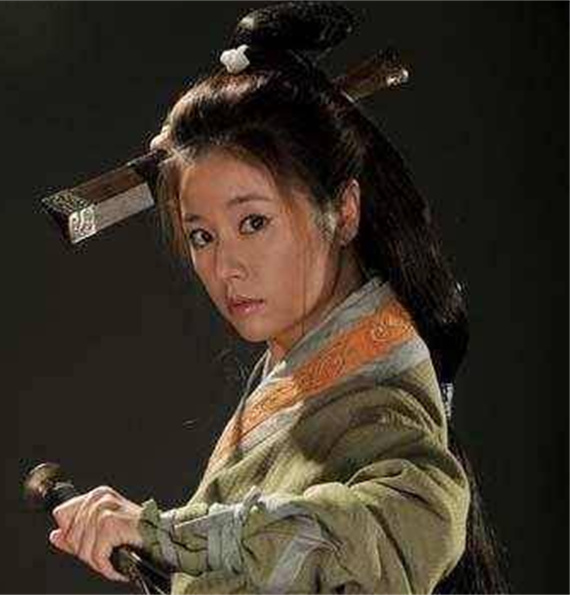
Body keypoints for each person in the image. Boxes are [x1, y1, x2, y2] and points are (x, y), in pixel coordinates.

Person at [47, 3, 507, 593]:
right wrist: (154, 551)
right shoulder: (305, 362)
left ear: (343, 211)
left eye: (254, 223)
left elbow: (408, 524)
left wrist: (166, 535)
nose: (226, 267)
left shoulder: (378, 397)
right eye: (202, 236)